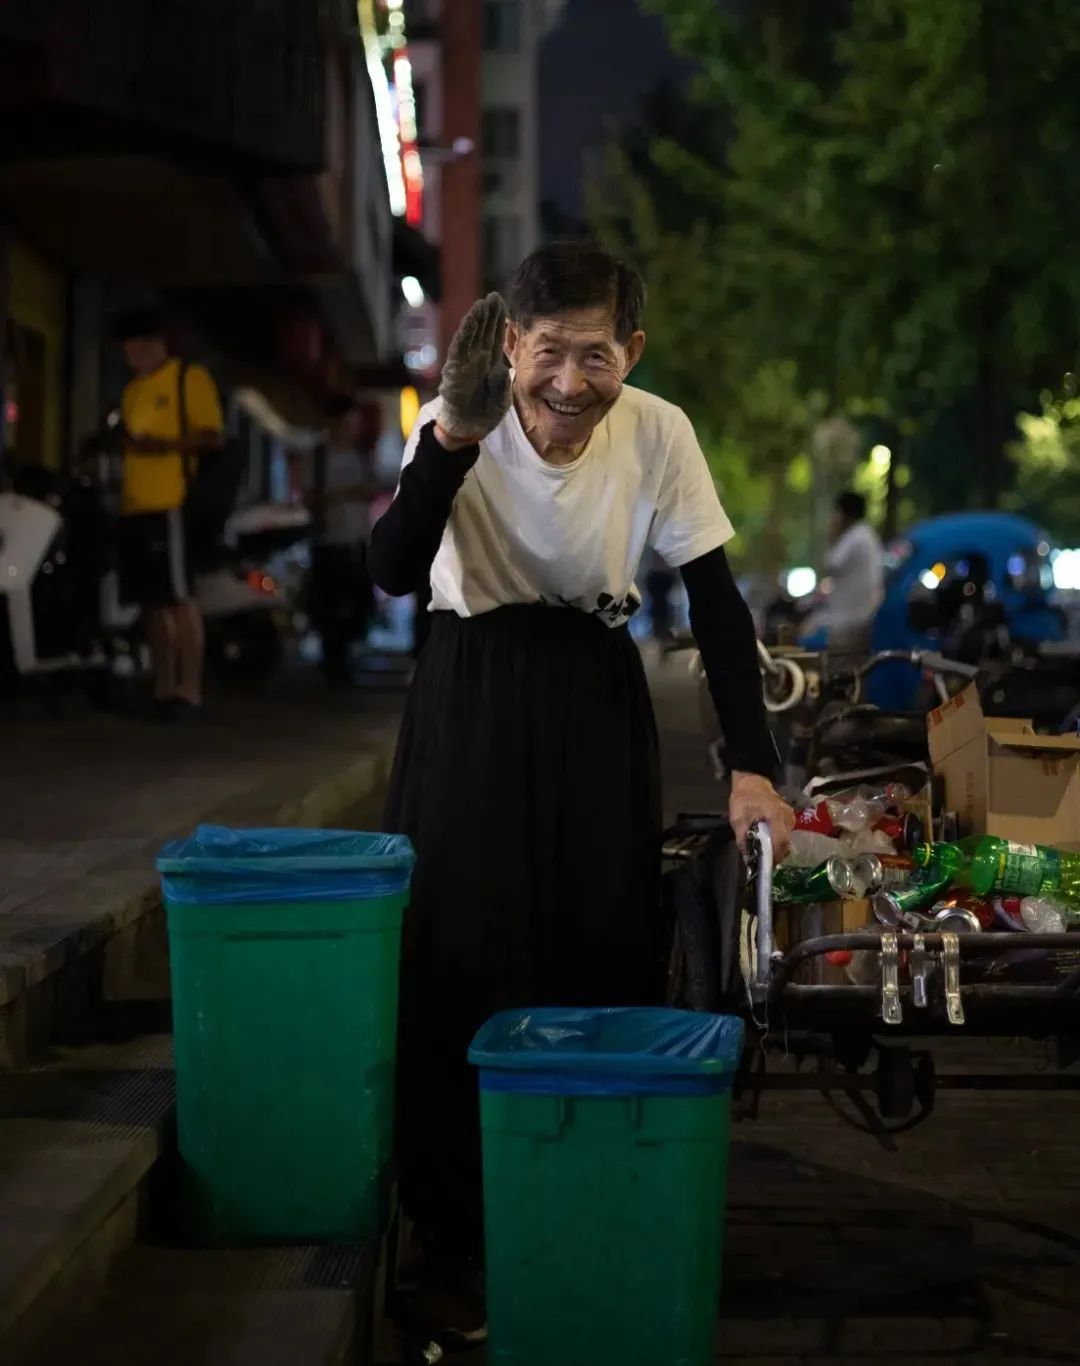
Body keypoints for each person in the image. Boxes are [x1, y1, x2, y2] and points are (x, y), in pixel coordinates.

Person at [369, 242, 794, 1342]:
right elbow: (393, 568)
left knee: (601, 941)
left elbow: (716, 603)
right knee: (460, 952)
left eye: (595, 356)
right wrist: (451, 444)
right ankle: (455, 1239)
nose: (569, 383)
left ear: (632, 351)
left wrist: (756, 768)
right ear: (511, 343)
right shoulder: (456, 418)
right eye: (548, 352)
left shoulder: (658, 430)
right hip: (471, 686)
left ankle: (585, 1205)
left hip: (597, 692)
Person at [114, 311, 224, 720]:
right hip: (134, 506)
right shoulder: (132, 391)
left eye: (139, 346)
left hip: (171, 503)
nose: (133, 355)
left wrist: (163, 446)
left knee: (179, 599)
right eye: (128, 349)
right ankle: (162, 688)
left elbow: (213, 437)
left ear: (157, 343)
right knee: (151, 602)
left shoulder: (187, 378)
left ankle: (188, 691)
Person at [306, 395, 377, 687]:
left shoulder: (361, 455)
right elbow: (309, 497)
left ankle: (346, 657)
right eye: (347, 423)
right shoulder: (318, 456)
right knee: (331, 607)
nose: (351, 429)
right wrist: (348, 493)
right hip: (328, 541)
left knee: (358, 604)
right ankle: (334, 664)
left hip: (357, 541)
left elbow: (371, 489)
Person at [820, 490, 885, 653]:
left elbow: (830, 565)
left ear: (843, 514)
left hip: (849, 618)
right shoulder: (867, 534)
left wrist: (833, 536)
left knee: (805, 631)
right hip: (863, 614)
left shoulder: (853, 536)